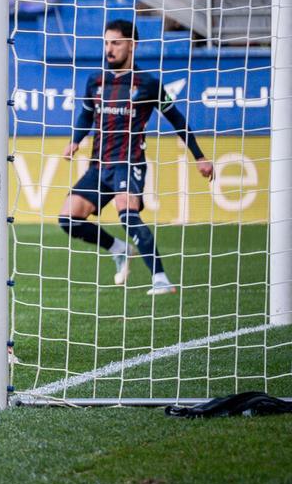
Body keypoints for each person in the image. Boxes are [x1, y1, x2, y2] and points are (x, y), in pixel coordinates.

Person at [58, 20, 214, 296]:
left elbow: (177, 120)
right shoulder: (95, 81)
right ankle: (118, 249)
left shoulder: (148, 84)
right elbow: (85, 114)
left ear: (132, 45)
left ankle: (161, 279)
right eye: (106, 43)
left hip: (129, 163)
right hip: (99, 165)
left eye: (116, 43)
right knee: (68, 218)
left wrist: (199, 157)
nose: (109, 49)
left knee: (127, 215)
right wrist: (75, 141)